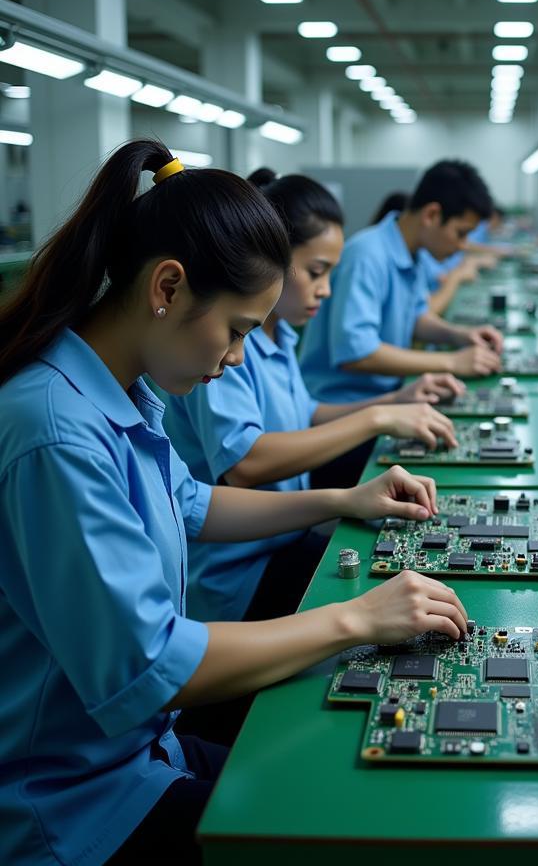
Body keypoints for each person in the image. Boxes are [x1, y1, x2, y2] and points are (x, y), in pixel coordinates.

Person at [0, 140, 468, 866]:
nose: (239, 357)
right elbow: (147, 662)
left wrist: (347, 495)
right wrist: (355, 617)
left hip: (138, 754)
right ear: (168, 288)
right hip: (69, 804)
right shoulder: (55, 430)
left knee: (333, 789)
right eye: (238, 330)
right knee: (333, 836)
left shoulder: (122, 392)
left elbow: (191, 502)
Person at [163, 172, 461, 629]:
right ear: (273, 261)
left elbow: (306, 415)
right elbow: (246, 463)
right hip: (241, 576)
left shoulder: (278, 335)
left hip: (284, 538)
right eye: (316, 272)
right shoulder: (216, 349)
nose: (325, 290)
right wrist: (378, 417)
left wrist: (395, 401)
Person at [299, 158, 504, 408]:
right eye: (460, 233)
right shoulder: (367, 256)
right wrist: (453, 362)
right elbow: (357, 354)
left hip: (384, 397)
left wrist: (460, 335)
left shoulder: (411, 253)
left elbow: (416, 317)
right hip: (342, 408)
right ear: (431, 214)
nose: (462, 246)